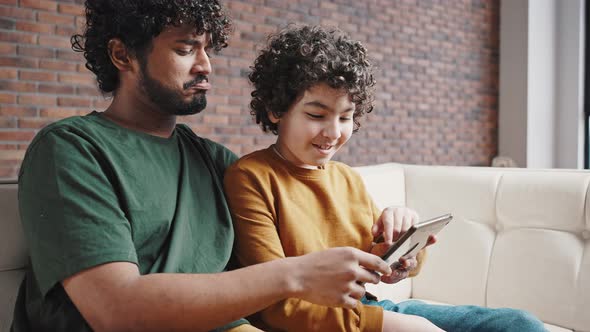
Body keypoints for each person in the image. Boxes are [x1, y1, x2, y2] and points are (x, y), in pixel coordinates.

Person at [10, 2, 397, 331]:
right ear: (122, 55)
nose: (206, 66)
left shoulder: (217, 163)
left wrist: (386, 246)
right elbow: (115, 309)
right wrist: (293, 277)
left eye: (208, 49)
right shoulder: (71, 149)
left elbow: (296, 260)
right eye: (185, 49)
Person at [223, 25, 548, 332]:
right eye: (316, 115)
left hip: (367, 308)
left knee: (519, 324)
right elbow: (274, 306)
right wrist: (391, 325)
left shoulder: (346, 178)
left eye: (346, 117)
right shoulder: (251, 177)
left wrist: (402, 253)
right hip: (317, 321)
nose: (334, 133)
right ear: (275, 110)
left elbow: (378, 267)